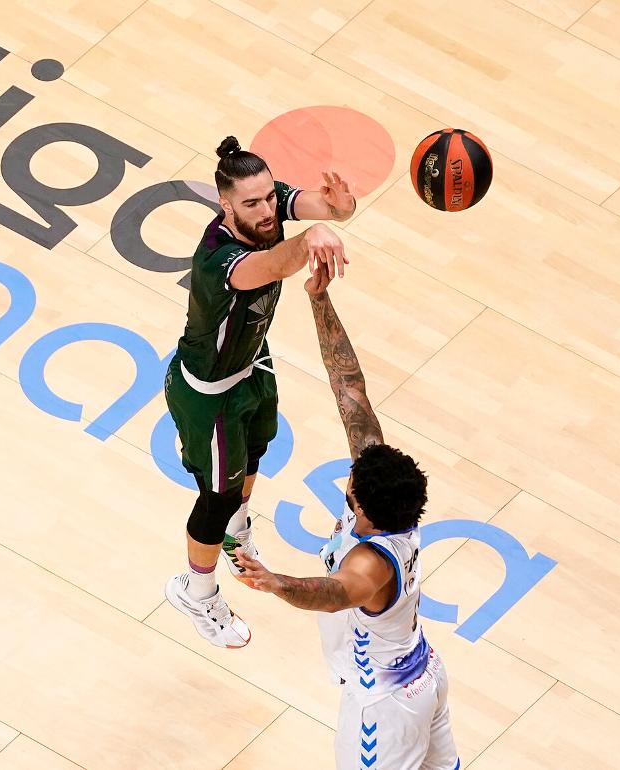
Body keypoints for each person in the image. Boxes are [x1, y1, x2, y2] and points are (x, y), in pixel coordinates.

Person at [234, 266, 460, 770]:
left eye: (350, 486)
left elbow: (333, 594)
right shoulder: (390, 505)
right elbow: (349, 387)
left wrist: (275, 582)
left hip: (385, 704)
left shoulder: (372, 565)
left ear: (361, 505)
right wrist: (319, 301)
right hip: (422, 674)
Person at [163, 135, 357, 649]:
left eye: (271, 197)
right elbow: (276, 265)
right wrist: (312, 232)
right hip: (209, 392)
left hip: (253, 364)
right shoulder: (220, 261)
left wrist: (339, 208)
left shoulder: (267, 209)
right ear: (225, 206)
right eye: (251, 203)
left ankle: (238, 531)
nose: (268, 209)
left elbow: (326, 210)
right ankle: (195, 590)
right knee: (216, 497)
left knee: (255, 455)